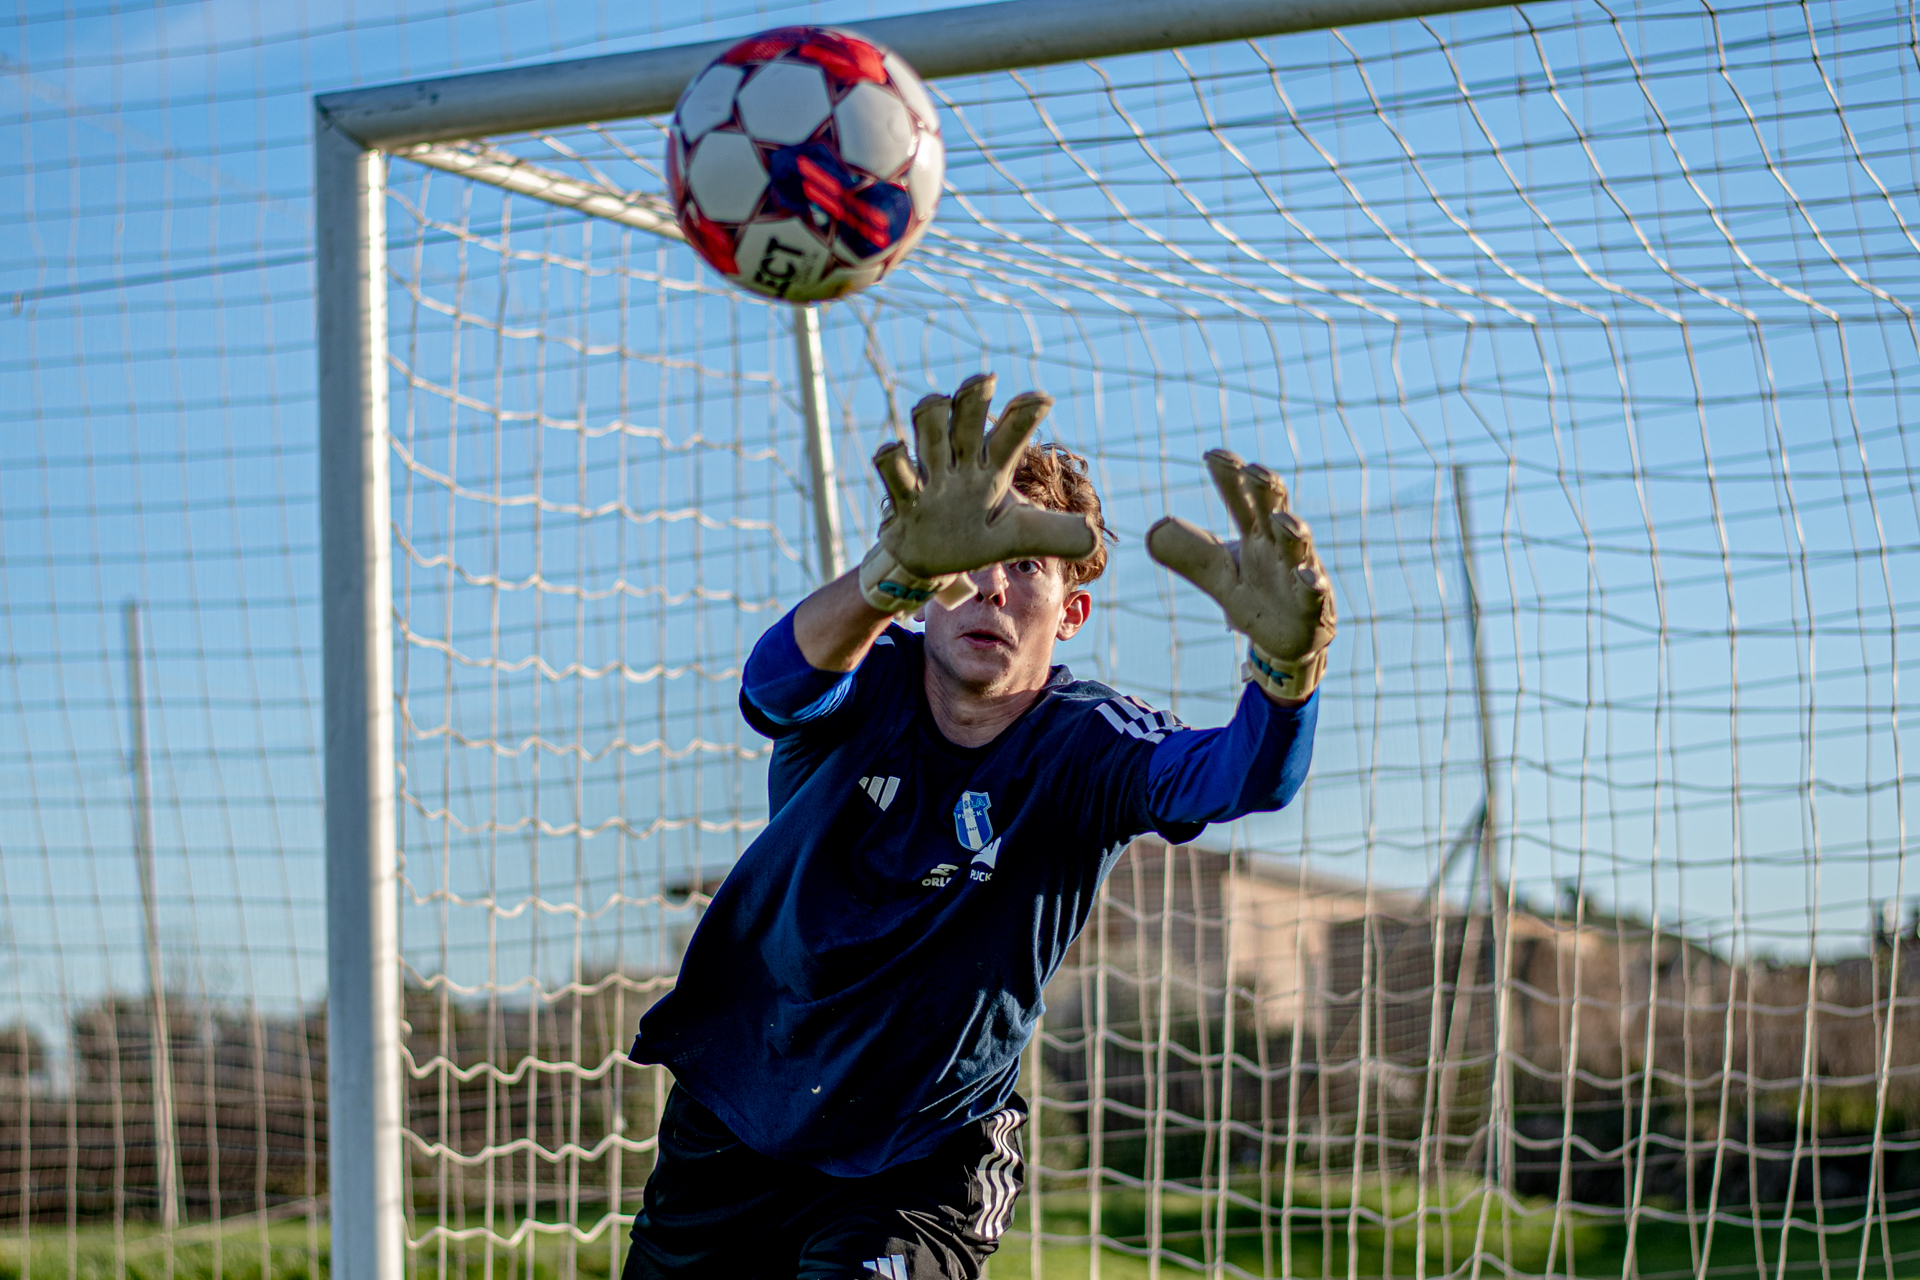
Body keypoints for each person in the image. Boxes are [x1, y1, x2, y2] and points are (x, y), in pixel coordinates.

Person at [622, 373, 1337, 1279]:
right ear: (932, 582)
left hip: (924, 1157)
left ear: (1071, 612)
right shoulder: (862, 676)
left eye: (1028, 564)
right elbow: (772, 690)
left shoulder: (1089, 744)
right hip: (740, 1113)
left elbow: (1238, 777)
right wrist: (884, 576)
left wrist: (1286, 676)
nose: (992, 587)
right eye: (975, 553)